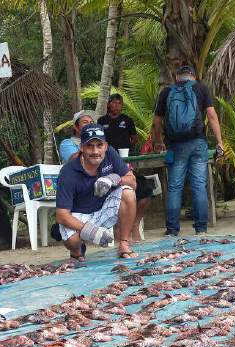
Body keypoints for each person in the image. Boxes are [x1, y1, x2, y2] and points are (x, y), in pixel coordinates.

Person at [152, 65, 224, 236]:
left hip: (176, 145)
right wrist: (220, 142)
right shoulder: (201, 88)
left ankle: (172, 230)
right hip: (198, 143)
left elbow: (156, 122)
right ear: (193, 76)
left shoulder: (166, 92)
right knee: (199, 184)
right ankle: (201, 229)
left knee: (175, 187)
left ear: (177, 76)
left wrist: (159, 142)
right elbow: (212, 116)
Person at [55, 124, 137, 260]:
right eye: (89, 146)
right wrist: (91, 232)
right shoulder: (68, 172)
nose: (95, 151)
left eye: (99, 145)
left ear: (105, 146)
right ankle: (77, 251)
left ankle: (123, 243)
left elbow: (133, 181)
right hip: (77, 216)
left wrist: (114, 179)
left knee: (128, 193)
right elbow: (61, 215)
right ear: (81, 148)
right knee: (73, 241)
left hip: (102, 210)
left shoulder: (110, 153)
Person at [99, 94, 154, 242]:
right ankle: (120, 230)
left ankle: (135, 223)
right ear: (109, 104)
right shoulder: (101, 121)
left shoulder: (127, 120)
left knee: (146, 188)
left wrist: (128, 148)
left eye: (119, 103)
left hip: (126, 163)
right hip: (108, 169)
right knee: (118, 193)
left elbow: (134, 137)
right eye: (114, 103)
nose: (116, 106)